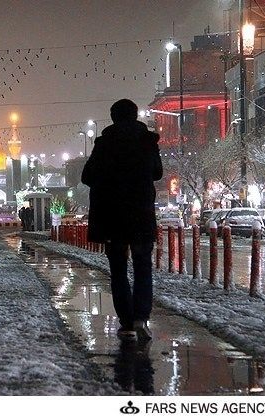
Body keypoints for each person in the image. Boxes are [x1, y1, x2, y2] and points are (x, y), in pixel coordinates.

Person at [81, 99, 163, 341]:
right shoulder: (147, 141)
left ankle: (126, 323)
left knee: (118, 269)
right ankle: (141, 318)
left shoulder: (104, 143)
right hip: (140, 214)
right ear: (136, 116)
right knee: (142, 267)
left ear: (114, 117)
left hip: (112, 216)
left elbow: (87, 176)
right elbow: (157, 172)